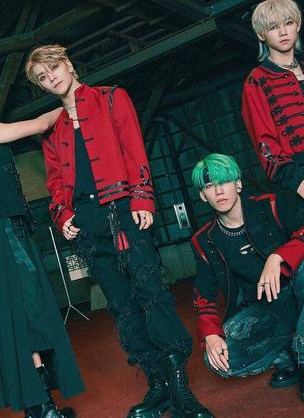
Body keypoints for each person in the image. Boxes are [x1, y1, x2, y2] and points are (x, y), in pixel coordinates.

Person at [25, 44, 213, 418]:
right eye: (43, 77)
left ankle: (180, 389)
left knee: (151, 293)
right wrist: (62, 214)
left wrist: (142, 197)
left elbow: (133, 149)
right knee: (122, 306)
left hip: (123, 210)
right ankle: (157, 386)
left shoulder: (111, 98)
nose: (51, 78)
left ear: (68, 64)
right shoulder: (53, 127)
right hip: (88, 223)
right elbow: (56, 180)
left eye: (54, 68)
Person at [0, 69, 84, 418]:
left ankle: (40, 407)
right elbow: (39, 125)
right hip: (3, 234)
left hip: (0, 234)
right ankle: (43, 408)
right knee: (28, 313)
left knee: (22, 316)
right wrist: (72, 101)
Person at [191, 153, 304, 399]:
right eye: (209, 186)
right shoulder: (205, 240)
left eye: (224, 182)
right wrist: (210, 334)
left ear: (238, 184)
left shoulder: (272, 204)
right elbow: (204, 295)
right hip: (267, 309)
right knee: (218, 359)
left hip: (298, 291)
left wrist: (278, 256)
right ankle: (286, 357)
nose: (218, 191)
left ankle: (302, 353)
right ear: (202, 195)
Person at [242, 0, 304, 196]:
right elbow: (263, 140)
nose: (283, 32)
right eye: (273, 27)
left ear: (298, 25)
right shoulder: (257, 80)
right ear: (261, 34)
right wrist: (297, 181)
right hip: (297, 179)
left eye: (288, 23)